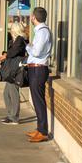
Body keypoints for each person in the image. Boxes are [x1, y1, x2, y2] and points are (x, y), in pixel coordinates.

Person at [26, 8, 53, 143]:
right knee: (37, 101)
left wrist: (28, 47)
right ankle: (39, 128)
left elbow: (36, 52)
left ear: (34, 18)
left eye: (31, 17)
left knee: (39, 101)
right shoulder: (40, 32)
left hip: (38, 69)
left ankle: (43, 132)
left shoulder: (42, 32)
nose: (30, 18)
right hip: (35, 69)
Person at [0, 23, 28, 125]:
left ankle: (14, 117)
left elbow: (13, 52)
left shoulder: (20, 40)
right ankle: (10, 115)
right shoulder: (15, 40)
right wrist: (5, 53)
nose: (10, 31)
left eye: (11, 29)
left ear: (16, 30)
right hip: (12, 70)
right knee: (6, 93)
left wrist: (5, 55)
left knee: (13, 93)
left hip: (15, 71)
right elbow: (11, 52)